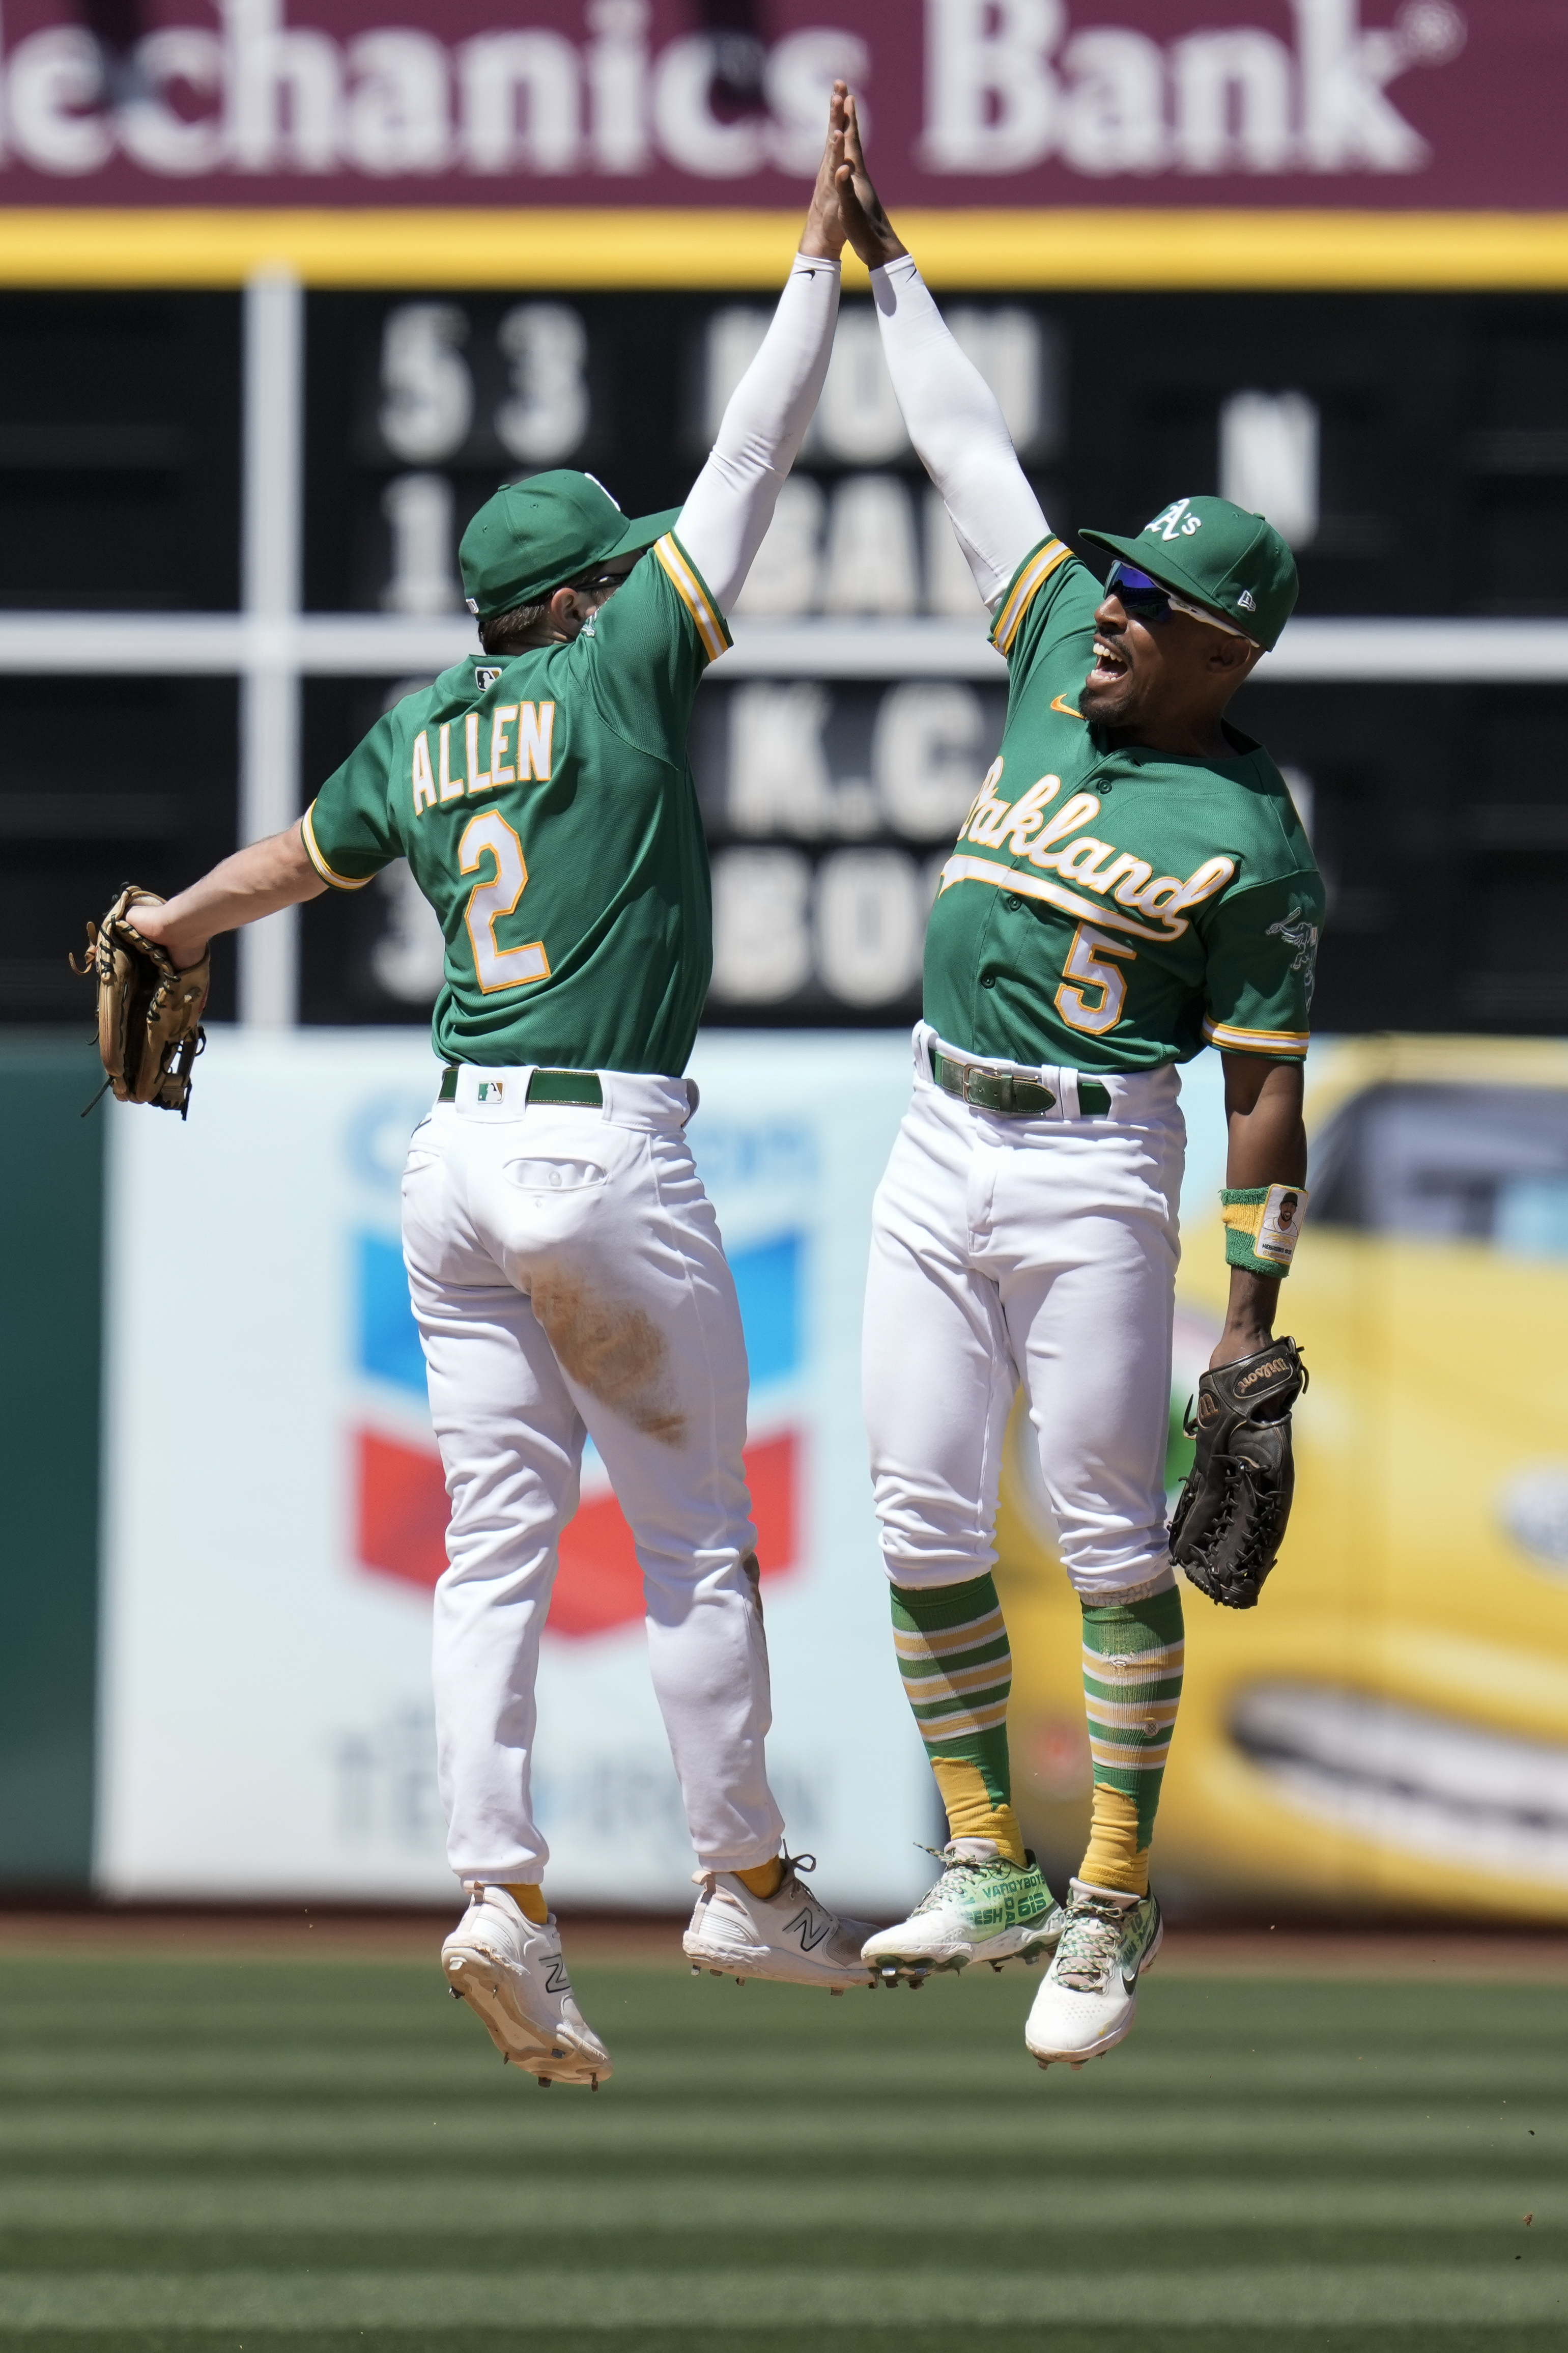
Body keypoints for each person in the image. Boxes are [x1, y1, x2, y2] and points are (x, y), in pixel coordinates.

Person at [126, 105, 876, 2089]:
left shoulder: (422, 723)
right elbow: (755, 461)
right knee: (702, 1536)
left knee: (491, 1548)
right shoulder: (618, 661)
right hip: (596, 1145)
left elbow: (299, 855)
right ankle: (740, 1877)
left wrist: (178, 921)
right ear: (571, 601)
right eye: (615, 570)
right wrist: (819, 264)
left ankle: (498, 1895)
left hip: (446, 1159)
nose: (646, 576)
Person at [832, 100, 1324, 2067]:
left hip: (1096, 1170)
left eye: (1153, 605)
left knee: (1111, 1535)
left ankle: (1109, 1898)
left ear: (1228, 652)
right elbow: (968, 455)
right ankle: (989, 1860)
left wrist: (1253, 1326)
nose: (1109, 607)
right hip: (933, 1132)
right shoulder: (1050, 642)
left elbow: (1272, 1095)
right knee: (912, 1508)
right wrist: (886, 263)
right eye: (1114, 584)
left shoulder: (1252, 833)